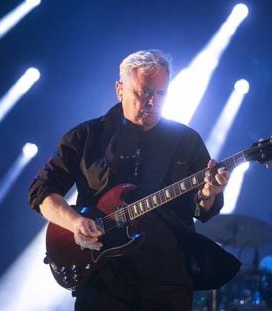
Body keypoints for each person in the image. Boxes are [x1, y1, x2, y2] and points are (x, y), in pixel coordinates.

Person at [29, 49, 239, 311]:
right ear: (120, 90)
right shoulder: (86, 137)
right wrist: (75, 222)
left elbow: (201, 209)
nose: (152, 102)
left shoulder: (186, 141)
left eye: (161, 94)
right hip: (103, 277)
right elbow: (41, 192)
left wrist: (210, 193)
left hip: (167, 277)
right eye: (143, 93)